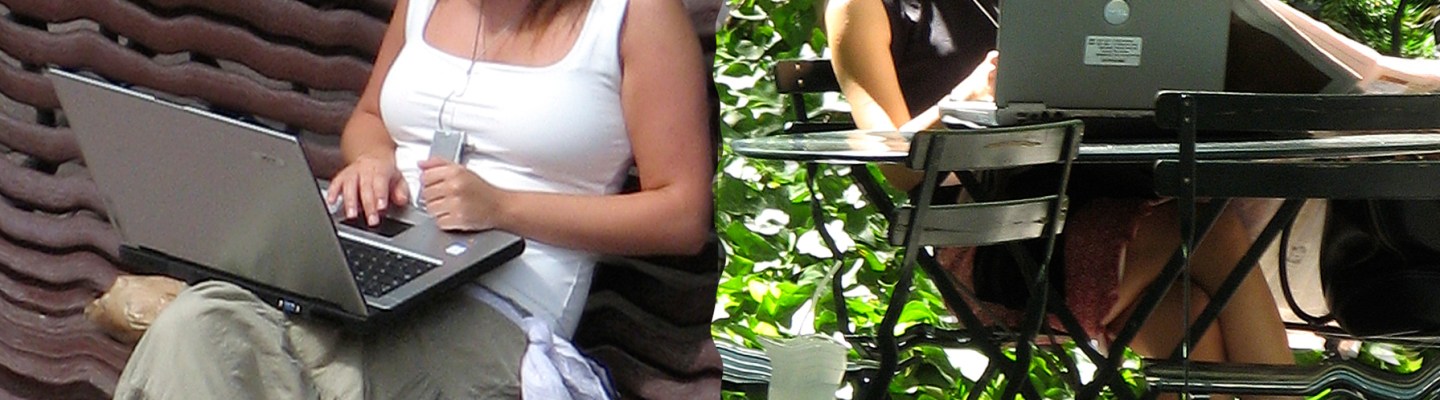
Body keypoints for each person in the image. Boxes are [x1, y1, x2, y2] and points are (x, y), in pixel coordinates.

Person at [112, 0, 712, 398]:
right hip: (367, 266)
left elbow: (681, 214)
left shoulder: (633, 15)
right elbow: (371, 119)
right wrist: (372, 162)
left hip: (496, 305)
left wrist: (503, 208)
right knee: (193, 329)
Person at [823, 0, 1295, 396]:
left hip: (1101, 198)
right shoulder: (863, 6)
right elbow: (894, 165)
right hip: (996, 241)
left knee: (1187, 321)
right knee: (1210, 232)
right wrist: (963, 100)